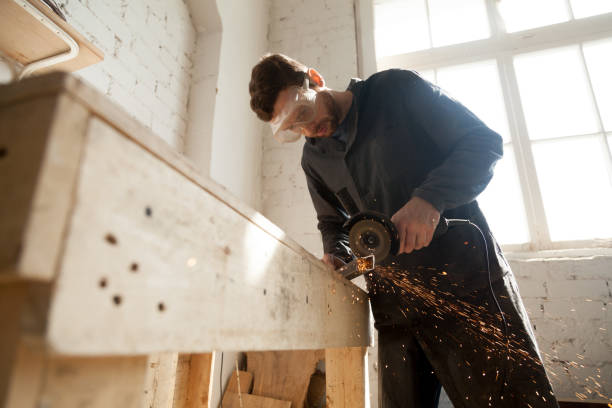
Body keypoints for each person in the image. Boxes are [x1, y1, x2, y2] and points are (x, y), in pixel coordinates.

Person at [249, 53, 559, 408]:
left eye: (303, 113)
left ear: (315, 80)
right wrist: (336, 255)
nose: (307, 129)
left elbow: (482, 142)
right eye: (292, 128)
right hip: (397, 307)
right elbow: (332, 223)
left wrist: (429, 200)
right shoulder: (314, 158)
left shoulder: (395, 90)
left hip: (466, 285)